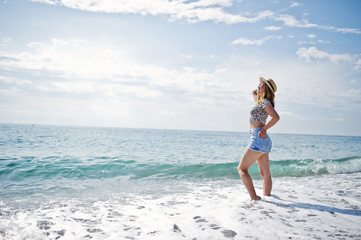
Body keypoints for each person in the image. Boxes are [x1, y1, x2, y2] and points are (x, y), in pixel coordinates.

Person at [237, 77, 280, 200]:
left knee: (242, 169)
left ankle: (254, 198)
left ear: (266, 89)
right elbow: (253, 92)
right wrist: (260, 89)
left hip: (258, 137)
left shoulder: (265, 102)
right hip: (262, 140)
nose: (258, 86)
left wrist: (264, 129)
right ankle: (268, 199)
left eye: (261, 85)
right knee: (264, 173)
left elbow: (276, 117)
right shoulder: (261, 102)